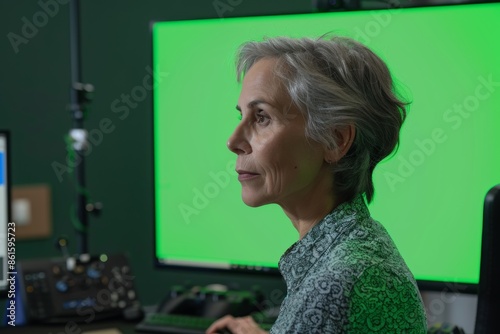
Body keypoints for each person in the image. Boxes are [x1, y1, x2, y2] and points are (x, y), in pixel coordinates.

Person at [206, 35, 427, 334]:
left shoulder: (338, 284)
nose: (233, 142)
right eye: (241, 115)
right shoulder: (356, 251)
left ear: (335, 140)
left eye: (261, 117)